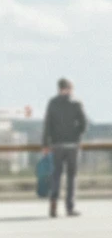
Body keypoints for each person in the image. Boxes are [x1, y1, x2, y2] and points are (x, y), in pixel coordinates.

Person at [42, 78, 87, 217]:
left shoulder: (53, 103)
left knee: (57, 175)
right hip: (72, 145)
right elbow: (83, 123)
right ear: (68, 88)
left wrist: (45, 144)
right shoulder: (76, 103)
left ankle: (54, 205)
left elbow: (47, 125)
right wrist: (77, 135)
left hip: (57, 145)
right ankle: (69, 207)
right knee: (71, 177)